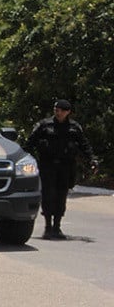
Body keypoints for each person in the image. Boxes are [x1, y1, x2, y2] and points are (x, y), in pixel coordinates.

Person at [25, 99, 97, 239]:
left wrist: (92, 159)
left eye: (60, 110)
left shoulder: (74, 127)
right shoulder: (44, 125)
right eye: (56, 109)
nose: (57, 112)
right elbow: (30, 143)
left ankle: (57, 227)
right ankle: (48, 227)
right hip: (48, 165)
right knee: (48, 195)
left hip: (66, 166)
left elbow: (84, 145)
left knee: (61, 195)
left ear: (67, 112)